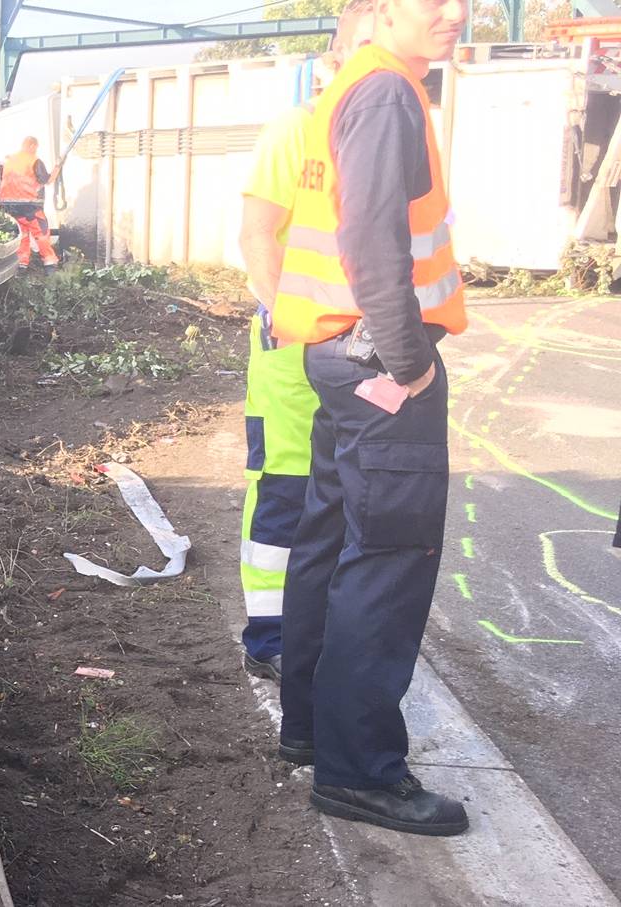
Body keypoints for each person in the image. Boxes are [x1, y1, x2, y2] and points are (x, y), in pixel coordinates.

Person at [273, 0, 471, 836]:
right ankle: (359, 772)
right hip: (380, 361)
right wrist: (412, 362)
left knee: (332, 537)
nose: (455, 14)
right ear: (384, 12)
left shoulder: (353, 85)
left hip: (341, 358)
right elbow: (371, 240)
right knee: (386, 555)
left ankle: (314, 729)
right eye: (434, 2)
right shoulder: (387, 93)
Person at [235, 1, 376, 685]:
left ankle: (322, 628)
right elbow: (258, 235)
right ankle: (270, 636)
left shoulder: (379, 134)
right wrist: (280, 310)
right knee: (287, 493)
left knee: (351, 498)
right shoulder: (297, 130)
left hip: (359, 353)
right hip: (293, 355)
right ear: (334, 58)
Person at [0, 137, 60, 268]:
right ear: (32, 146)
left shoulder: (10, 160)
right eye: (36, 148)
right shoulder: (34, 160)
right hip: (29, 205)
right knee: (41, 233)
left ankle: (21, 263)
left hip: (8, 205)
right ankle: (50, 263)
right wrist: (57, 168)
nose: (36, 151)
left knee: (22, 233)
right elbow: (46, 180)